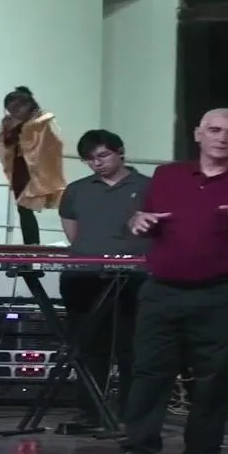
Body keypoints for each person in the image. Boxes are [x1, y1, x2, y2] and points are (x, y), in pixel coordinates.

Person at [96, 108, 228, 454]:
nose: (222, 138)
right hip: (162, 290)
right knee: (148, 371)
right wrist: (138, 221)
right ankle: (139, 450)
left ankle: (203, 451)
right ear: (198, 134)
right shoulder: (167, 176)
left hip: (223, 293)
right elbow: (143, 219)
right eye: (214, 130)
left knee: (216, 375)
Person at [58, 129, 150, 423]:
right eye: (89, 159)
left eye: (102, 155)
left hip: (135, 277)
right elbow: (73, 233)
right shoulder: (76, 190)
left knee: (131, 347)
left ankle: (132, 413)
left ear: (120, 152)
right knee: (87, 347)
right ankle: (90, 412)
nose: (96, 163)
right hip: (84, 277)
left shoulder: (149, 187)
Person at [0, 86, 65, 245]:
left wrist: (23, 131)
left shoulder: (41, 119)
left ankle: (33, 245)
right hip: (19, 165)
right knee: (23, 208)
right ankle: (31, 244)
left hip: (37, 166)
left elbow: (51, 142)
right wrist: (10, 130)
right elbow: (4, 143)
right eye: (10, 109)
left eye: (17, 108)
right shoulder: (8, 122)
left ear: (28, 105)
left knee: (28, 205)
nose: (14, 112)